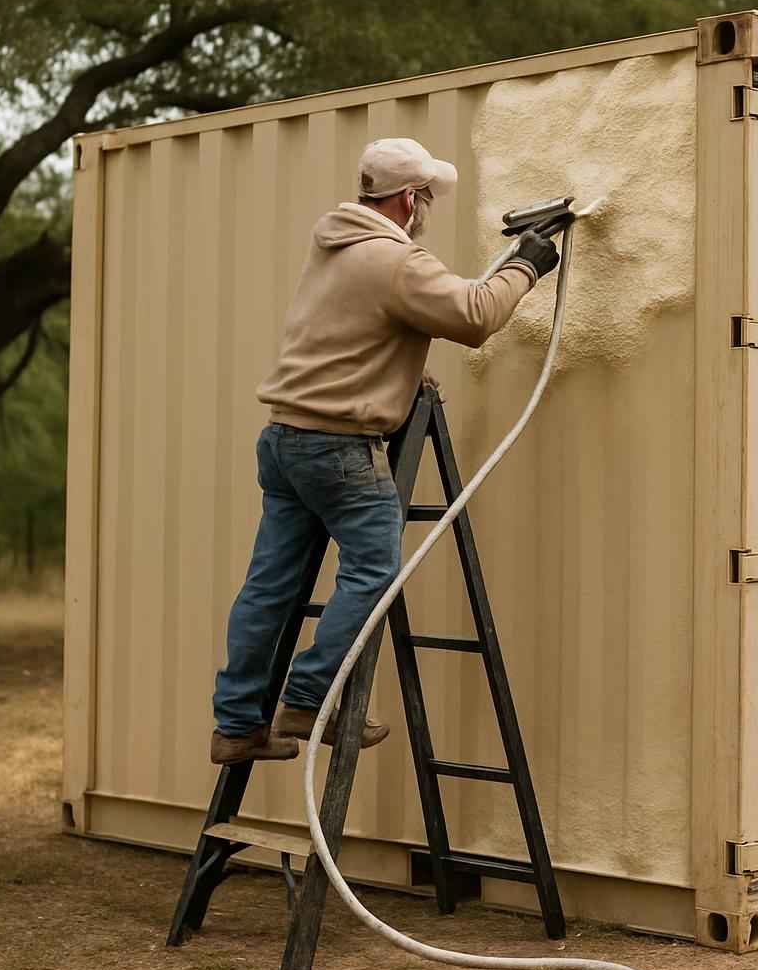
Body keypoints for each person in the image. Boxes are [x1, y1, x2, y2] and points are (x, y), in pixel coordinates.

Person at [208, 138, 560, 764]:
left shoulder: (333, 249)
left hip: (286, 437)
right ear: (407, 199)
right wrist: (527, 265)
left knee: (269, 585)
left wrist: (400, 374)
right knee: (373, 571)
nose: (425, 210)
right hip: (340, 448)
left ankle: (236, 725)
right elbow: (476, 316)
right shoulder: (397, 260)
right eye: (424, 198)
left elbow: (354, 334)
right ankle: (308, 700)